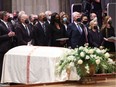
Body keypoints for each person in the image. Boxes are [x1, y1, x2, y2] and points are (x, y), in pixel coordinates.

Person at [0, 11, 16, 81]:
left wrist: (13, 34)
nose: (9, 17)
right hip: (2, 47)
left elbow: (12, 31)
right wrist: (7, 35)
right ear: (3, 16)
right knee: (1, 64)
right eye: (7, 16)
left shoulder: (10, 23)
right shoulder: (0, 24)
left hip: (10, 46)